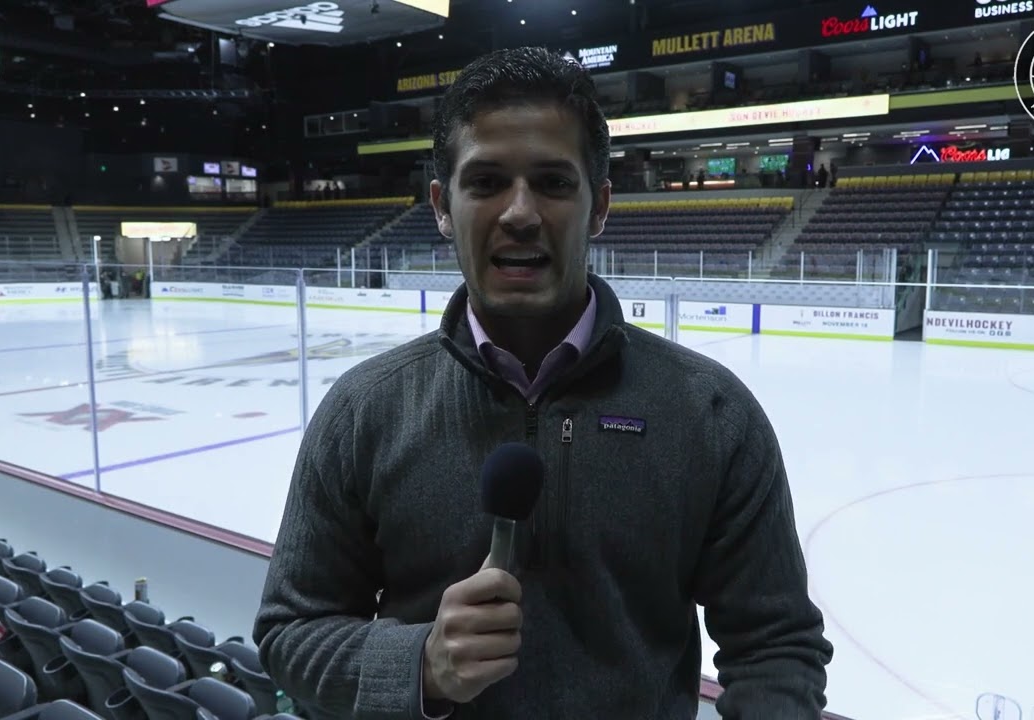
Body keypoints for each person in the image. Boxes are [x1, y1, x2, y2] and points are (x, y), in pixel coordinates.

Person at [253, 46, 832, 719]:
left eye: (554, 183)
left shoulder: (711, 413)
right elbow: (291, 633)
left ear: (599, 206)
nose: (520, 212)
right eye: (486, 181)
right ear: (442, 206)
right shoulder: (363, 411)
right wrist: (422, 665)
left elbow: (775, 646)